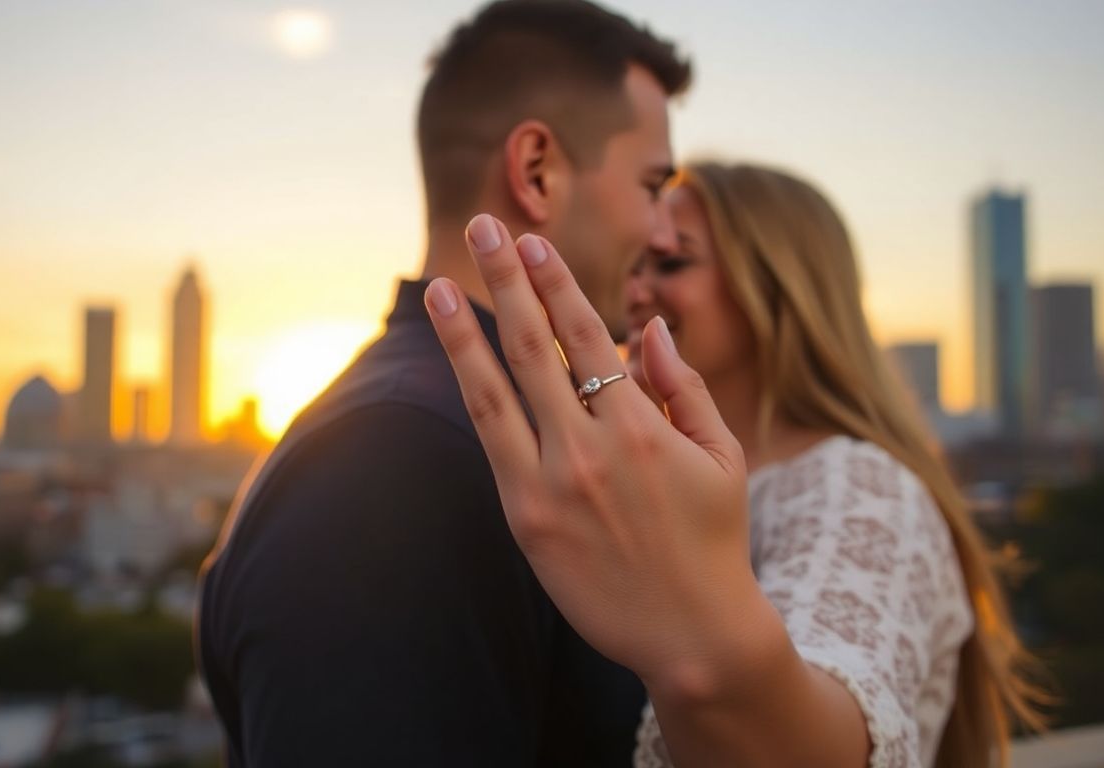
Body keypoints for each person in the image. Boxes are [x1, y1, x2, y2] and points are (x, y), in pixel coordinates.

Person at [196, 1, 691, 765]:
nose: (663, 234)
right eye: (653, 184)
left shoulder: (461, 428)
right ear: (537, 171)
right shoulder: (395, 465)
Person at [422, 164, 1045, 767]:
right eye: (637, 262)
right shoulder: (653, 486)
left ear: (777, 291)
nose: (636, 290)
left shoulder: (858, 487)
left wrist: (695, 641)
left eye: (671, 262)